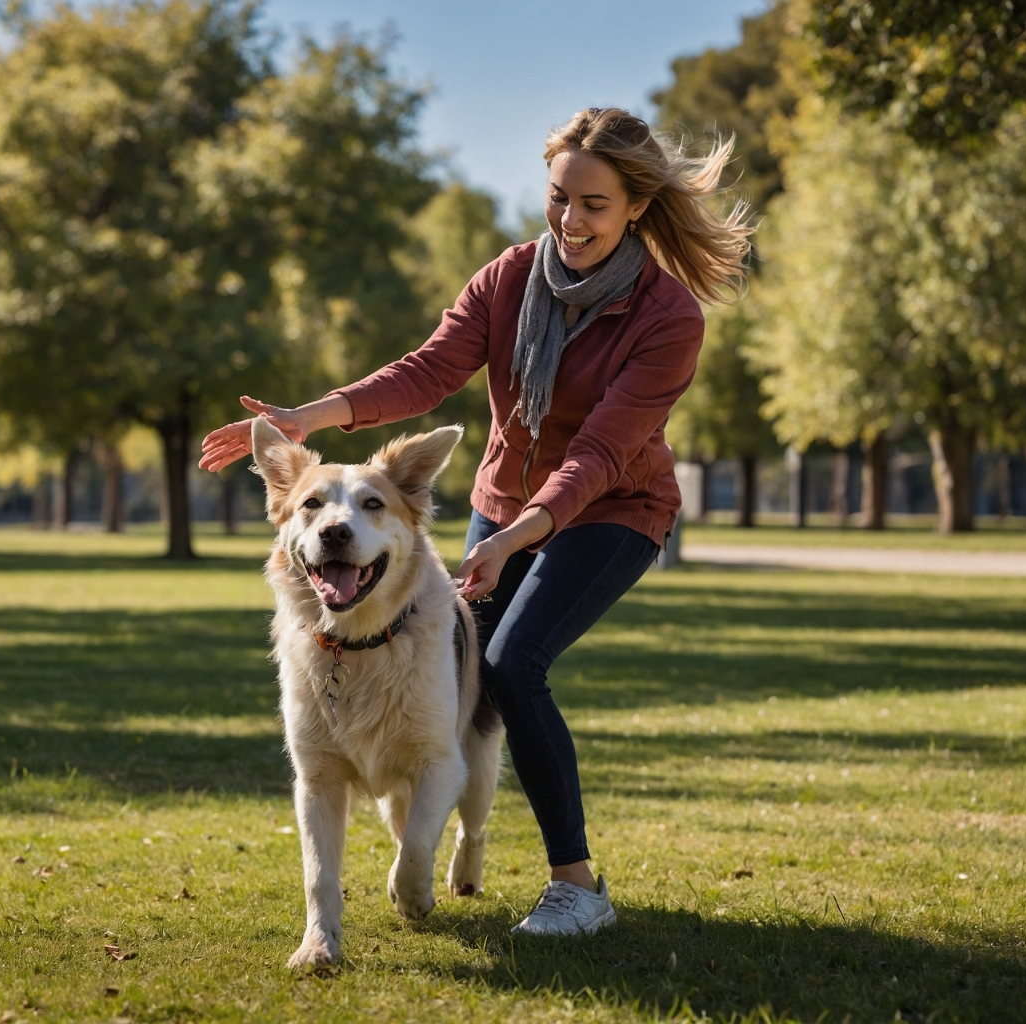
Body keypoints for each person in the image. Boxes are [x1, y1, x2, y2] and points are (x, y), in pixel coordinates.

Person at [200, 107, 751, 936]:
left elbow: (597, 455)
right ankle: (449, 839)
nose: (570, 220)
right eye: (559, 196)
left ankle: (576, 886)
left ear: (637, 207)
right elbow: (427, 373)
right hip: (501, 504)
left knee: (514, 661)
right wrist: (308, 417)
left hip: (613, 511)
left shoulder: (668, 319)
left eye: (595, 205)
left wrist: (512, 537)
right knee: (472, 686)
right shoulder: (509, 278)